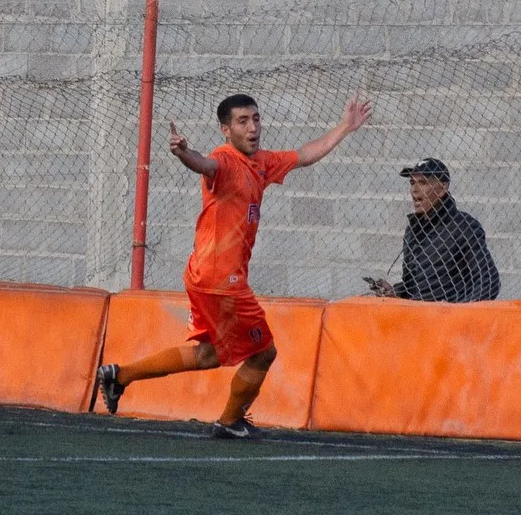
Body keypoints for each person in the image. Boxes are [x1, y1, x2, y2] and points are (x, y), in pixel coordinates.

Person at [97, 93, 373, 439]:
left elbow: (304, 155)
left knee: (209, 354)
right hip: (220, 280)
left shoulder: (261, 162)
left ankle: (119, 376)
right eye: (242, 121)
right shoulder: (225, 160)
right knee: (263, 353)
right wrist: (184, 153)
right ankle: (229, 423)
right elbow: (205, 165)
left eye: (256, 119)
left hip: (204, 276)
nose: (253, 127)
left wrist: (345, 126)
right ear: (226, 130)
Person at [367, 158, 500, 303]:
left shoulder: (463, 226)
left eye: (423, 183)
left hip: (448, 314)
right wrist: (395, 292)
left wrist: (458, 311)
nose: (415, 189)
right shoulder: (414, 230)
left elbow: (488, 281)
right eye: (412, 182)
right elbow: (414, 286)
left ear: (443, 188)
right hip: (417, 314)